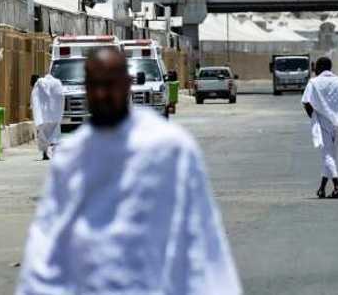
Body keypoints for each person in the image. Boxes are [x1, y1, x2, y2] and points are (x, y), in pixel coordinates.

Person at [17, 48, 240, 294]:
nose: (102, 93)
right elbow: (47, 242)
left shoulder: (169, 147)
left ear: (127, 84)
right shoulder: (72, 156)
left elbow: (202, 236)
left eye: (110, 84)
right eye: (95, 85)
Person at [302, 57, 338, 199]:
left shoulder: (314, 83)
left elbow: (306, 102)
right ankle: (321, 188)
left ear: (319, 67)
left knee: (327, 155)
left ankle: (337, 186)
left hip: (323, 122)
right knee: (330, 155)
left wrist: (314, 116)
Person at [30, 71, 65, 160]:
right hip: (54, 114)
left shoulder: (39, 84)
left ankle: (45, 153)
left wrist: (35, 109)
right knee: (55, 133)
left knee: (43, 134)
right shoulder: (57, 82)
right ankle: (56, 153)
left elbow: (34, 98)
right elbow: (61, 96)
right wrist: (59, 111)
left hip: (43, 115)